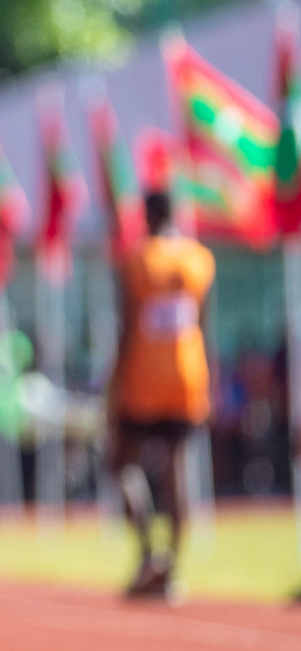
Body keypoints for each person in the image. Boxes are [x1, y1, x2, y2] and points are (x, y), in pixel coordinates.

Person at [107, 144, 214, 600]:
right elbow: (203, 325)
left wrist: (113, 385)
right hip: (189, 376)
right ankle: (174, 567)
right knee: (177, 469)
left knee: (122, 464)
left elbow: (128, 325)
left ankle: (149, 554)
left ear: (146, 217)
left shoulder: (136, 261)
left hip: (143, 378)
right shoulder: (199, 259)